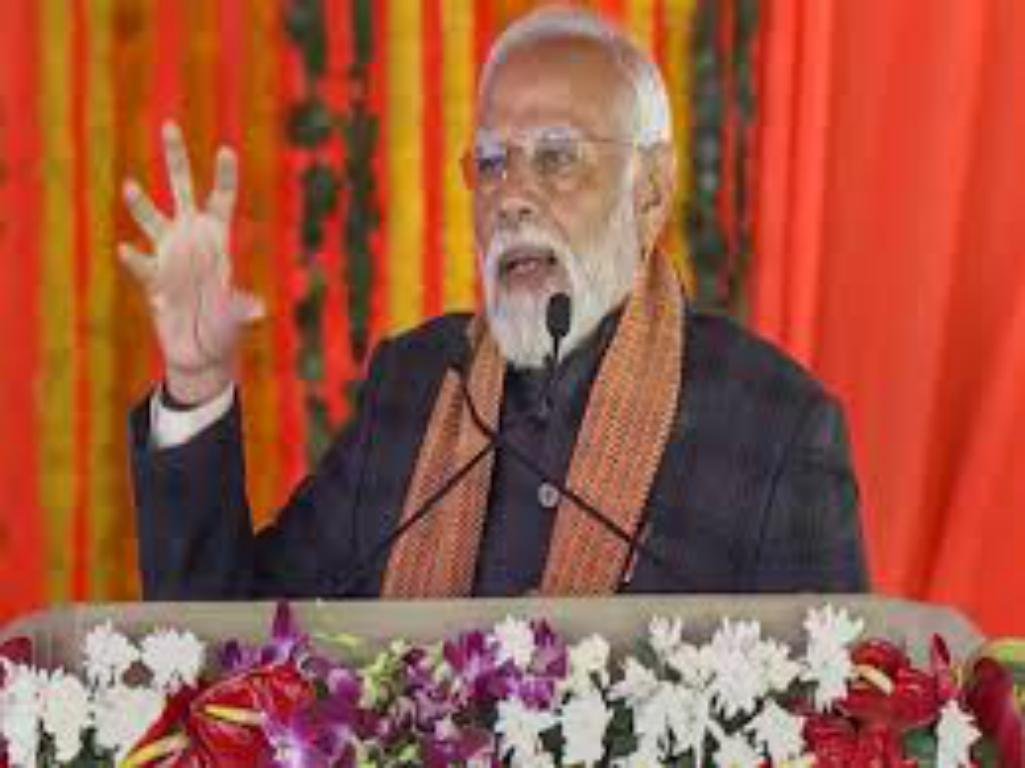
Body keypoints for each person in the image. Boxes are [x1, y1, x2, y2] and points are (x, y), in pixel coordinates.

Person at [122, 8, 868, 600]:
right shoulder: (415, 386)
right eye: (489, 162)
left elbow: (838, 717)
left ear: (649, 189)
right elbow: (232, 647)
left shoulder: (774, 426)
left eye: (557, 156)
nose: (511, 195)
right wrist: (196, 382)